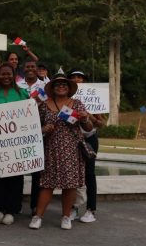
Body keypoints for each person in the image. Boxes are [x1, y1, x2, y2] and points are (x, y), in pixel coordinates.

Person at [30, 72, 93, 230]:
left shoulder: (77, 104)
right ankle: (38, 216)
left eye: (64, 85)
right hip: (51, 148)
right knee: (46, 184)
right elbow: (33, 127)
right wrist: (44, 128)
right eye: (57, 85)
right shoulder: (44, 105)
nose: (61, 87)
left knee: (70, 185)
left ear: (69, 88)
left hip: (72, 149)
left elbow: (89, 128)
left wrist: (85, 119)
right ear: (52, 88)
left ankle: (66, 217)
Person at [0, 63, 30, 225]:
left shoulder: (22, 93)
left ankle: (12, 210)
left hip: (17, 142)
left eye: (9, 74)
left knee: (15, 176)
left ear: (14, 75)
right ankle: (0, 208)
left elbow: (30, 114)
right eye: (3, 74)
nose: (6, 77)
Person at [68, 68, 105, 223]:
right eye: (74, 77)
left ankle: (91, 209)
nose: (77, 79)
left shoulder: (92, 98)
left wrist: (88, 115)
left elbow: (102, 123)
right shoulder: (66, 98)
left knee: (89, 174)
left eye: (80, 77)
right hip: (71, 139)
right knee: (72, 174)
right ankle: (73, 207)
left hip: (89, 139)